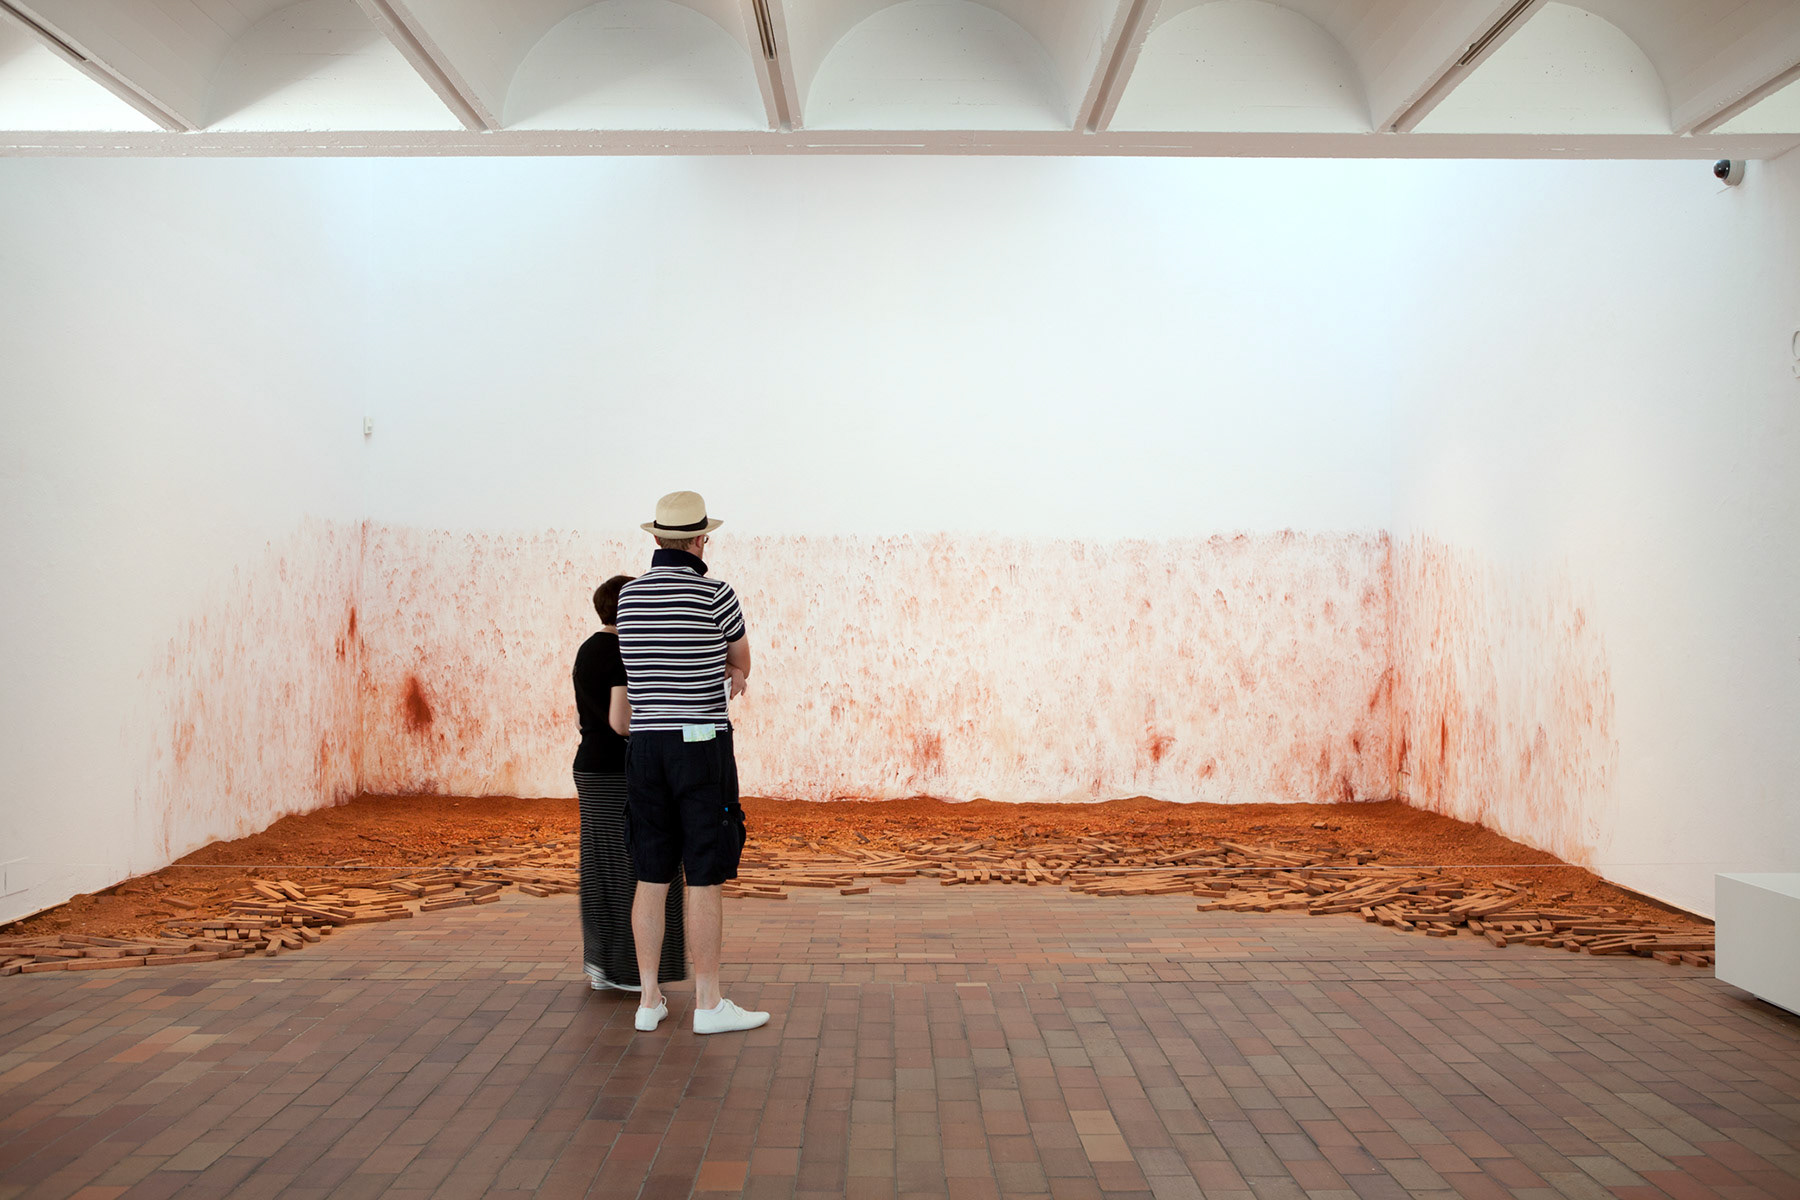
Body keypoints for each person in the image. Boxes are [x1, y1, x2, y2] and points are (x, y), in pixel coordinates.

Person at [615, 491, 768, 1035]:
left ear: (657, 537)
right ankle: (708, 1003)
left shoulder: (628, 598)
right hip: (701, 743)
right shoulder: (717, 594)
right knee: (703, 872)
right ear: (701, 540)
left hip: (645, 748)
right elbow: (741, 662)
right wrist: (730, 674)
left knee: (651, 872)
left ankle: (648, 1001)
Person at [571, 575, 687, 993]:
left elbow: (589, 716)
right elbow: (621, 722)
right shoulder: (621, 652)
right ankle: (632, 973)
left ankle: (602, 967)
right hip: (617, 770)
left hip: (590, 766)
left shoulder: (588, 648)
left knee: (600, 867)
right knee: (636, 865)